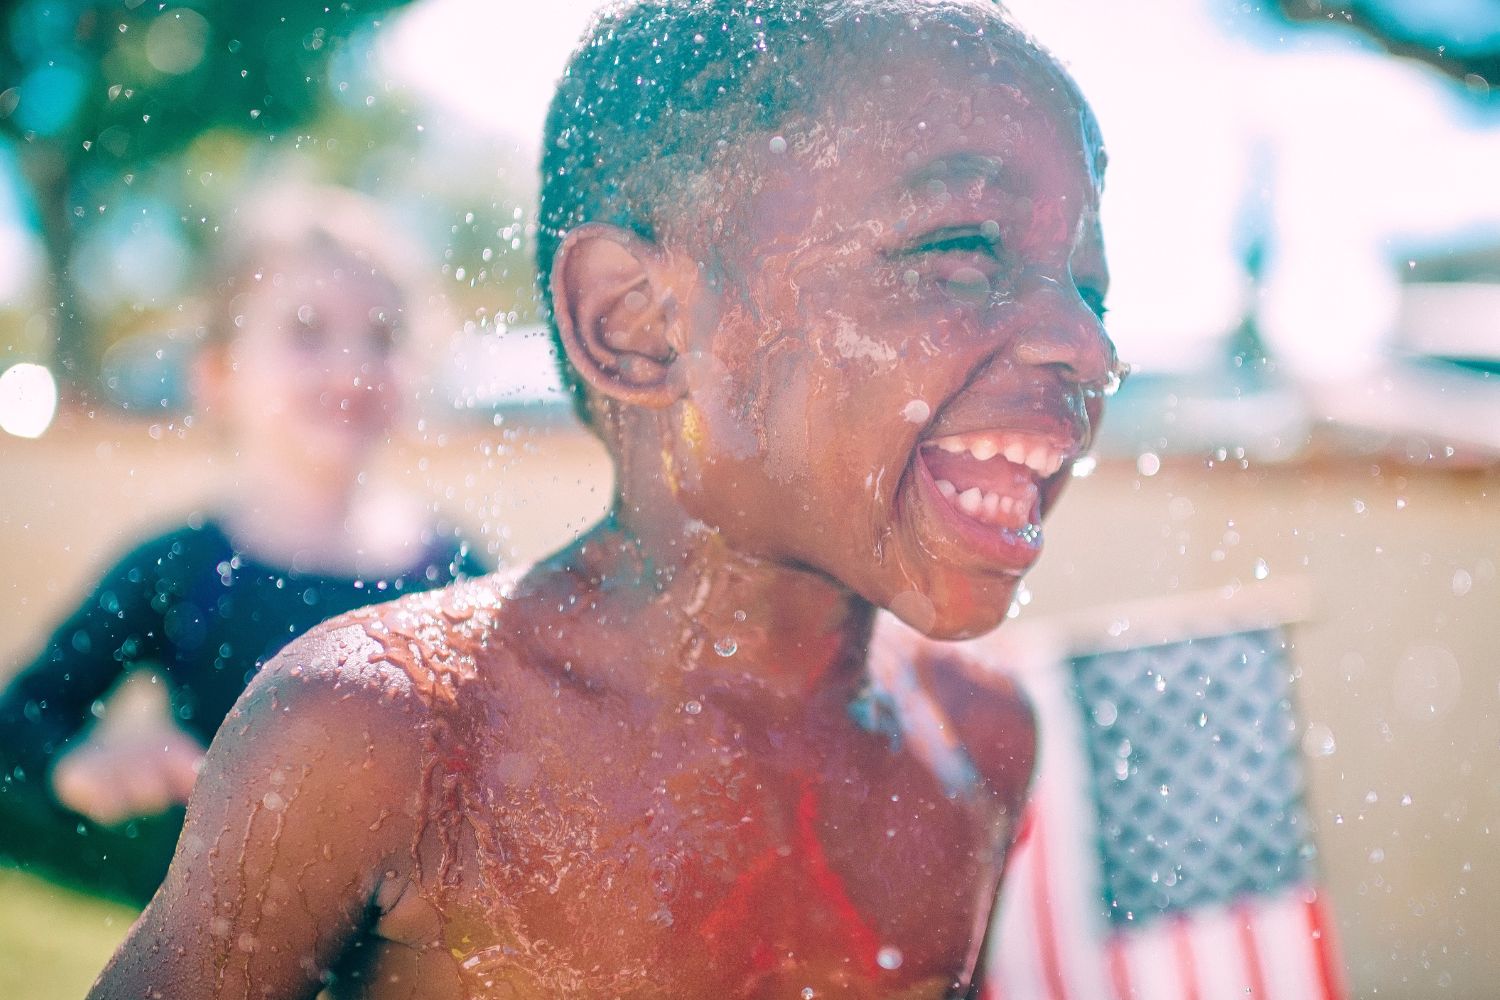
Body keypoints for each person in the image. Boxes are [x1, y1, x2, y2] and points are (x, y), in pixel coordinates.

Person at [91, 1, 1120, 995]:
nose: (1089, 345)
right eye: (960, 250)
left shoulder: (979, 740)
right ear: (636, 322)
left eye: (1089, 285)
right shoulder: (390, 737)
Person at [0, 182, 486, 905]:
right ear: (220, 375)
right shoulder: (181, 570)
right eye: (307, 330)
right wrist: (76, 767)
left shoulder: (454, 575)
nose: (351, 367)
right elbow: (20, 723)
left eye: (381, 337)